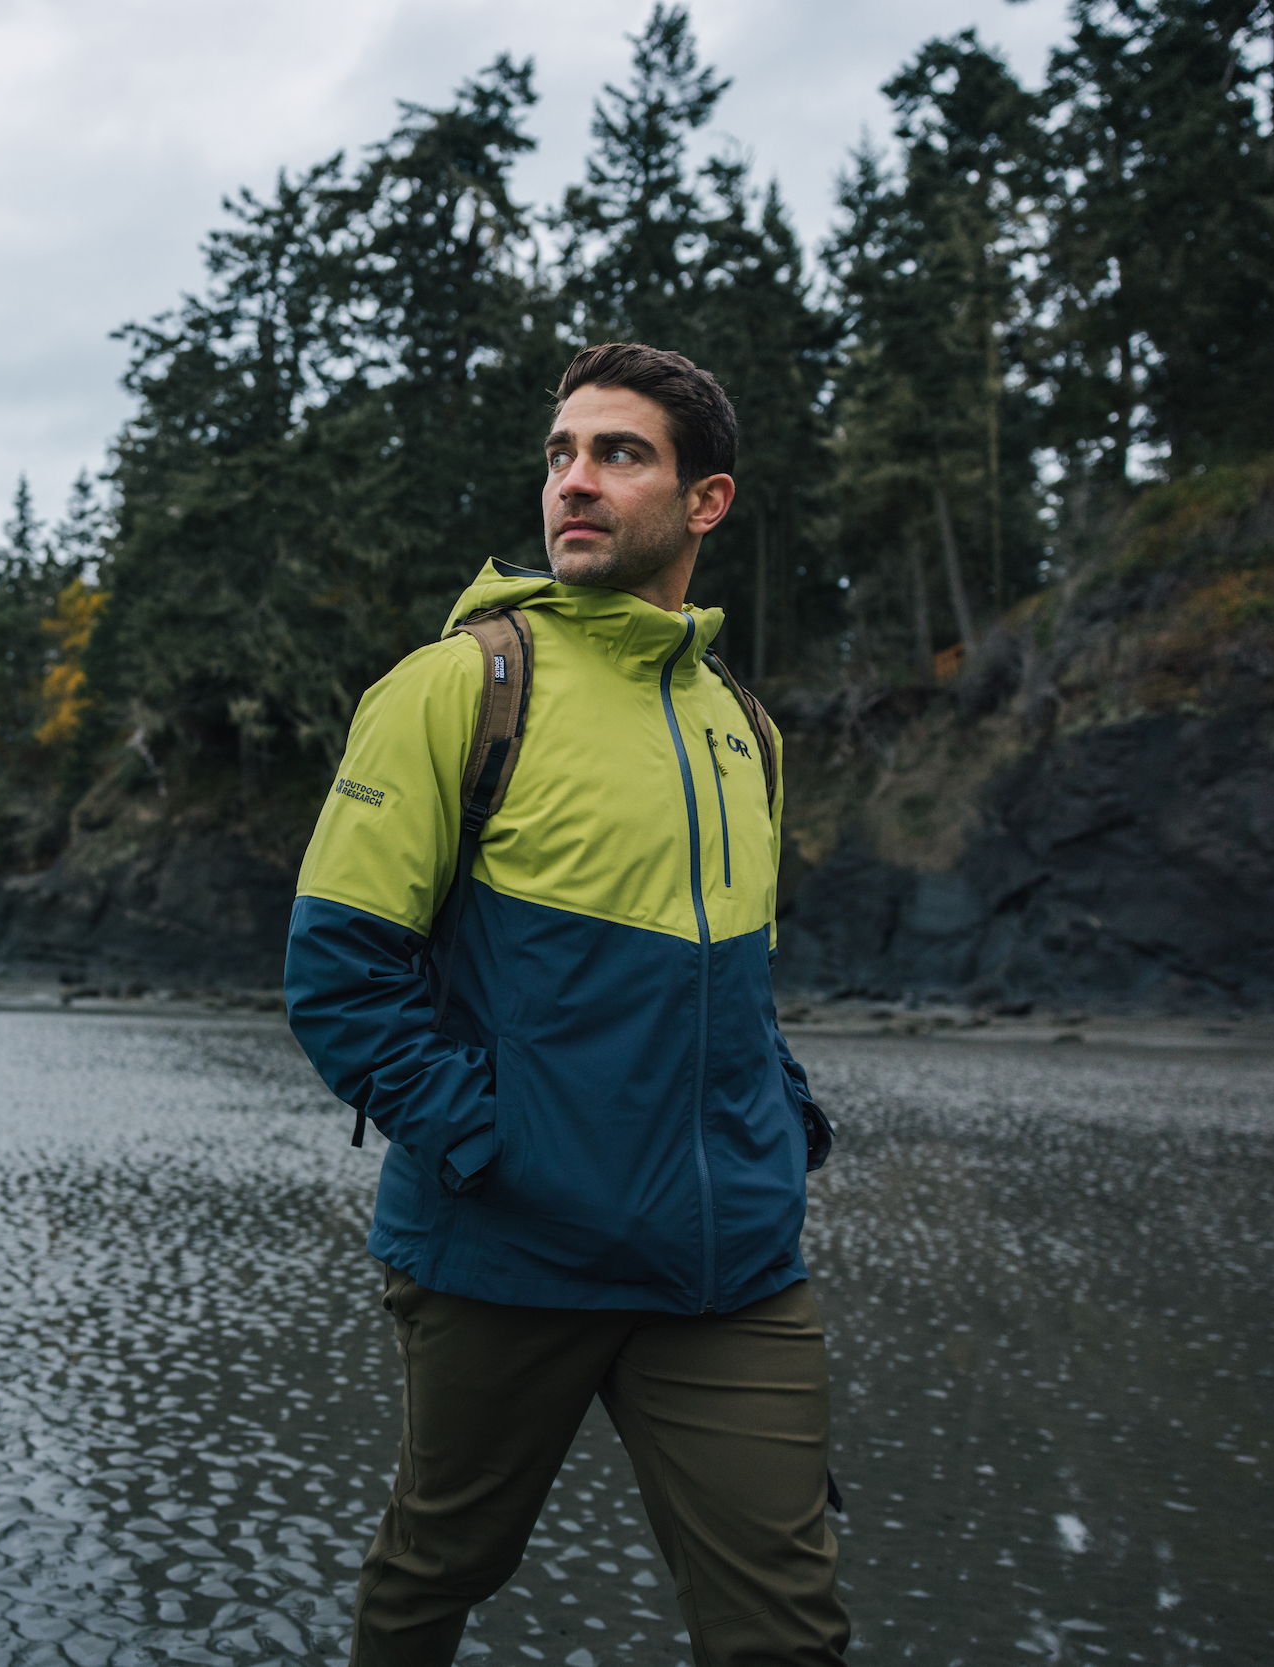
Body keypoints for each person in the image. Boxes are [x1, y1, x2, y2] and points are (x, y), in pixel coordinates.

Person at [285, 343, 848, 1666]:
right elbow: (339, 978)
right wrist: (494, 1148)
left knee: (790, 1625)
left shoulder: (744, 730)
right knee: (437, 1573)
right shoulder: (460, 686)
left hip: (730, 1267)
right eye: (560, 456)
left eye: (618, 455)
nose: (574, 483)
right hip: (509, 1251)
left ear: (706, 502)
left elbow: (735, 990)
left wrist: (782, 1118)